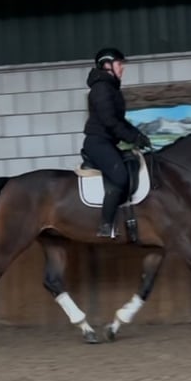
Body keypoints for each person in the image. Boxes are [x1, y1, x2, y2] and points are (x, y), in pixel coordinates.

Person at [82, 47, 152, 238]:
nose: (122, 68)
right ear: (107, 65)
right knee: (120, 177)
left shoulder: (110, 87)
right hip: (98, 143)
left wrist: (138, 135)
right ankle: (106, 225)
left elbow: (119, 121)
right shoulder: (101, 88)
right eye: (119, 64)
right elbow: (110, 121)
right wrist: (132, 138)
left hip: (107, 142)